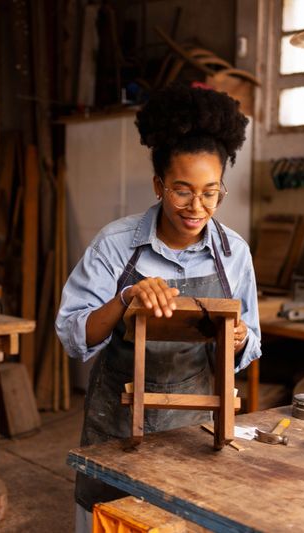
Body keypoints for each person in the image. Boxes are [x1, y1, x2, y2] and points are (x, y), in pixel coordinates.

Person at [55, 83, 262, 532]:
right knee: (109, 523)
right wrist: (126, 298)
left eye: (211, 192)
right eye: (182, 191)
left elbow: (250, 346)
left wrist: (239, 337)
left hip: (194, 432)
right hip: (116, 425)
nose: (197, 207)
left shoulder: (234, 253)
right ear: (158, 185)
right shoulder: (116, 244)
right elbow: (74, 335)